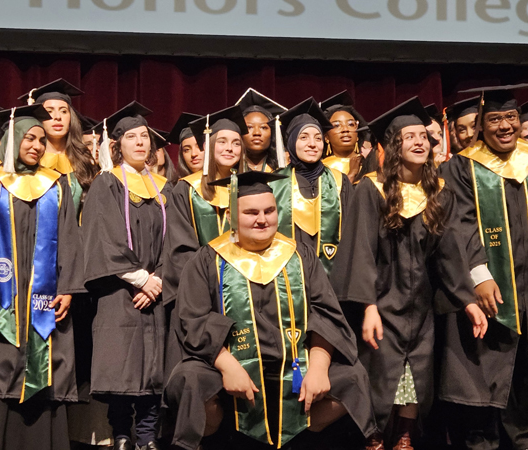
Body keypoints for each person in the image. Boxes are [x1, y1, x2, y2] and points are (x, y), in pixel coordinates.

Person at [162, 170, 378, 450]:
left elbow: (326, 315)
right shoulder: (207, 260)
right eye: (251, 212)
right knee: (189, 379)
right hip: (229, 365)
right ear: (231, 215)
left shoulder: (300, 255)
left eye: (269, 211)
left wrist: (319, 368)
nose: (262, 219)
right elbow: (193, 320)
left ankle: (303, 429)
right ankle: (220, 433)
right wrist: (228, 366)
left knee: (354, 376)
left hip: (294, 364)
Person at [332, 97, 488, 450]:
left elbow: (450, 255)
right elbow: (360, 252)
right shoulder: (370, 189)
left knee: (415, 372)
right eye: (409, 137)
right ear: (394, 145)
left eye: (423, 136)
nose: (420, 142)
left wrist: (468, 301)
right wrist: (368, 306)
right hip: (381, 300)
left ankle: (404, 437)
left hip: (420, 303)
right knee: (380, 371)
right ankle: (374, 437)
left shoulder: (438, 193)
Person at [438, 84, 528, 450]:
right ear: (481, 125)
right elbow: (459, 225)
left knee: (523, 387)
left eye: (511, 117)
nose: (505, 126)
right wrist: (479, 274)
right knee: (483, 389)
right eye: (495, 119)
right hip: (489, 293)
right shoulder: (462, 166)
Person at [0, 104, 85, 450]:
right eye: (29, 138)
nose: (36, 145)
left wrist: (69, 289)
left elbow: (70, 241)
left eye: (41, 140)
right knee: (0, 376)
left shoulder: (57, 186)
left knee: (46, 378)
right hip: (0, 306)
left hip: (47, 308)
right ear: (12, 140)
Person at [82, 102, 171, 450]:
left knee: (155, 365)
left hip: (157, 291)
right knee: (122, 364)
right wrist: (140, 279)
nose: (140, 142)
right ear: (117, 144)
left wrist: (158, 278)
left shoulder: (166, 188)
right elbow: (103, 236)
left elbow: (177, 241)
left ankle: (147, 436)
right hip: (119, 290)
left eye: (144, 136)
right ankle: (121, 434)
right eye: (131, 137)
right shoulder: (106, 184)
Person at [160, 106, 247, 306]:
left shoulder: (251, 187)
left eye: (236, 143)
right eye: (222, 142)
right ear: (208, 145)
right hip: (201, 289)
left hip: (246, 285)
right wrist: (206, 283)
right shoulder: (187, 189)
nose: (229, 148)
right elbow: (180, 249)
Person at [269, 98, 351, 276]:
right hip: (286, 278)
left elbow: (352, 235)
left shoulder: (340, 182)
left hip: (334, 280)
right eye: (303, 137)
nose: (312, 144)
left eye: (318, 138)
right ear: (291, 142)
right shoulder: (274, 184)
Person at [19, 79, 98, 210]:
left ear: (71, 117)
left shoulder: (84, 160)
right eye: (49, 111)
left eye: (63, 111)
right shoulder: (29, 160)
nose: (57, 117)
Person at [235, 87, 288, 172]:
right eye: (249, 127)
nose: (257, 133)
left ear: (272, 133)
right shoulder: (229, 171)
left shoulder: (285, 169)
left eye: (263, 127)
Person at [320, 91, 367, 182]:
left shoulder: (370, 163)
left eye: (351, 124)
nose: (345, 129)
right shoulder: (321, 169)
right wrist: (352, 174)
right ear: (326, 137)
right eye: (337, 125)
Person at [167, 112, 203, 177]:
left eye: (199, 146)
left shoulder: (221, 181)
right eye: (186, 150)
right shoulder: (180, 183)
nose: (193, 154)